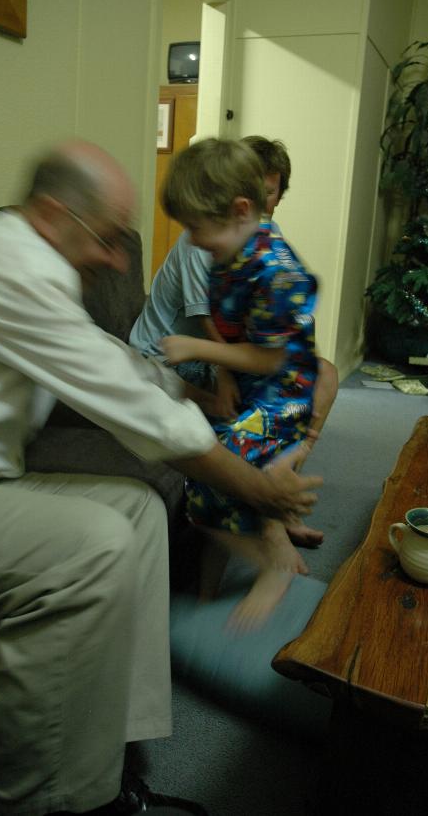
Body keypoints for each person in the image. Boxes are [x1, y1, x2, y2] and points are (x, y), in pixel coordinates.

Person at [0, 139, 322, 816]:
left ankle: (103, 765)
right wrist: (254, 487)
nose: (117, 259)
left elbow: (111, 360)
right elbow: (127, 402)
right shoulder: (4, 265)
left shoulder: (23, 256)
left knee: (135, 508)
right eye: (108, 240)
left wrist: (189, 393)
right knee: (92, 544)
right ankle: (34, 802)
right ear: (53, 214)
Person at [160, 137, 322, 630]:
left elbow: (271, 357)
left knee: (216, 479)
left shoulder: (275, 271)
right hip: (252, 389)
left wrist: (198, 350)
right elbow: (231, 330)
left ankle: (275, 563)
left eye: (195, 226)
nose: (190, 239)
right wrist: (223, 371)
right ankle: (209, 595)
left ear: (240, 210)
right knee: (208, 489)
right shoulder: (227, 253)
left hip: (282, 396)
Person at [129, 135, 338, 431]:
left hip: (205, 351)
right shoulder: (207, 238)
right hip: (166, 355)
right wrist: (224, 371)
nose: (260, 203)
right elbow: (210, 320)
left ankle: (280, 465)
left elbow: (275, 328)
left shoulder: (264, 245)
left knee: (322, 376)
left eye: (268, 193)